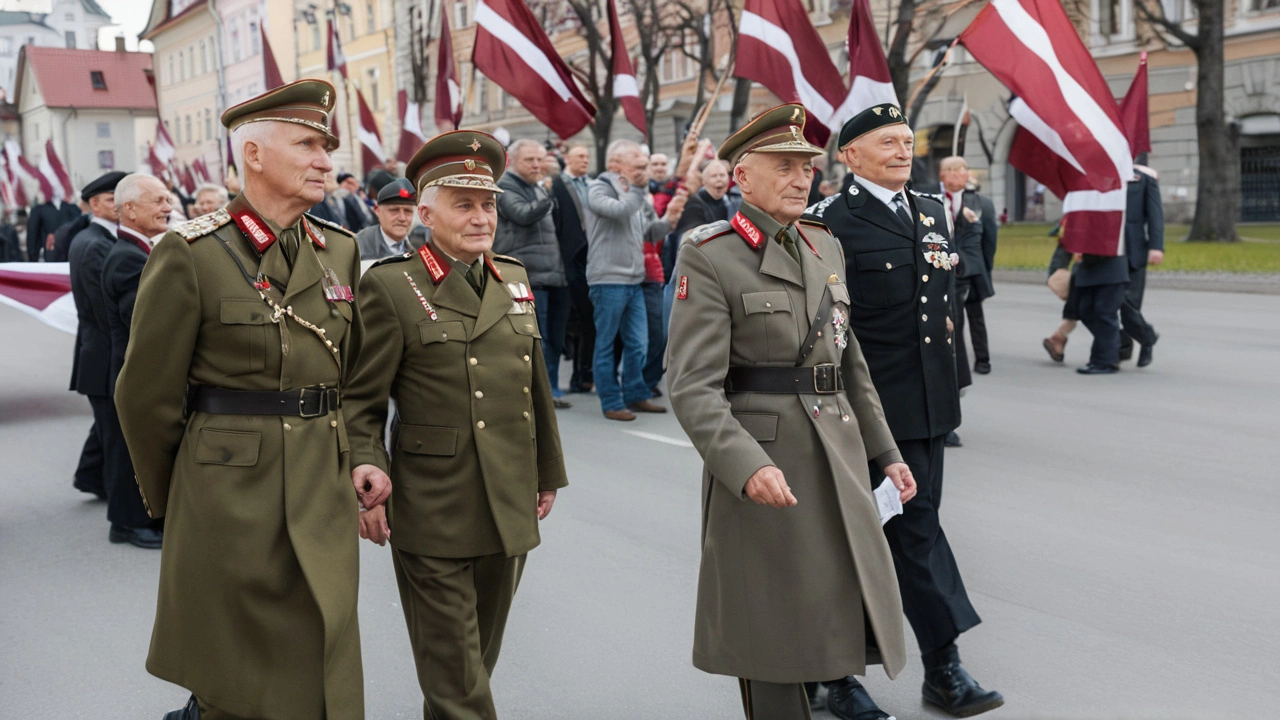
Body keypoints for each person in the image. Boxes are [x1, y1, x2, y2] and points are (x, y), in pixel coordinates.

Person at [113, 79, 382, 720]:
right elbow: (144, 395)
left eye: (328, 147)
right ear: (254, 156)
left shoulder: (337, 249)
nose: (325, 160)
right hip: (228, 491)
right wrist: (183, 494)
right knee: (239, 674)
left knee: (324, 639)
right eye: (308, 145)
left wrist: (363, 454)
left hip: (320, 477)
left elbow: (358, 379)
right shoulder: (192, 252)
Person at [668, 104, 918, 720]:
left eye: (806, 166)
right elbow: (690, 385)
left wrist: (886, 453)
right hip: (767, 462)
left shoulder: (822, 244)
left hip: (835, 453)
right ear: (741, 177)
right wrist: (744, 464)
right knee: (771, 625)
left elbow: (847, 360)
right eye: (783, 166)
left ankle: (835, 692)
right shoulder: (711, 253)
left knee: (830, 603)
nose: (800, 178)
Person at [344, 130, 568, 720]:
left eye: (488, 203)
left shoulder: (513, 279)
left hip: (508, 497)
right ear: (424, 213)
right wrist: (363, 471)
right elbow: (362, 401)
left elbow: (534, 386)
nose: (481, 217)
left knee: (472, 665)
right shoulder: (391, 286)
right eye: (463, 204)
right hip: (433, 503)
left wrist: (547, 472)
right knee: (458, 679)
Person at [805, 104, 1004, 718]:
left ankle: (841, 674)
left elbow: (944, 303)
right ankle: (930, 668)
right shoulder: (828, 222)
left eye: (907, 140)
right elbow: (824, 328)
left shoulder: (930, 209)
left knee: (903, 533)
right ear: (850, 155)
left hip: (930, 406)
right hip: (870, 413)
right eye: (886, 141)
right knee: (890, 536)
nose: (902, 149)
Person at [99, 173, 171, 548]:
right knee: (130, 453)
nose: (168, 207)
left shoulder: (138, 249)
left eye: (167, 199)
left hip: (140, 370)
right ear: (129, 209)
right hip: (135, 372)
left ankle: (139, 520)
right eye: (158, 201)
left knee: (134, 449)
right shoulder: (127, 257)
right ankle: (128, 525)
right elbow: (144, 322)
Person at [584, 139, 674, 420]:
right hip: (607, 279)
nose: (643, 167)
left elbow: (649, 232)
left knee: (638, 344)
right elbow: (619, 210)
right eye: (636, 162)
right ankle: (611, 401)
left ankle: (636, 394)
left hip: (635, 279)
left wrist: (671, 220)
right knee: (606, 343)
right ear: (615, 165)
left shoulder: (635, 193)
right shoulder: (599, 188)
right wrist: (638, 190)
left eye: (643, 163)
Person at [496, 139, 572, 408]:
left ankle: (550, 388)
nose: (537, 165)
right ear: (512, 161)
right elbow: (522, 215)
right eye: (530, 160)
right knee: (532, 339)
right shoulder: (505, 186)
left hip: (552, 275)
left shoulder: (537, 187)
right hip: (526, 276)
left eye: (540, 159)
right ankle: (534, 392)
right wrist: (548, 195)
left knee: (553, 337)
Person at [66, 171, 125, 502]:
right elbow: (105, 313)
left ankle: (89, 476)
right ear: (93, 205)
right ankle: (121, 508)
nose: (118, 205)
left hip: (99, 352)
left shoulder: (100, 240)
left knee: (106, 423)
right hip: (104, 355)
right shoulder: (95, 245)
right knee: (114, 431)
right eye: (110, 200)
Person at [938, 158, 998, 376]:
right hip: (945, 268)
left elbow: (990, 242)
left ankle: (983, 359)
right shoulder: (932, 201)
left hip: (972, 269)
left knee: (976, 315)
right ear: (941, 175)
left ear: (967, 175)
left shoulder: (981, 203)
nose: (954, 174)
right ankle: (956, 360)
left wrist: (985, 270)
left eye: (959, 169)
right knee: (953, 318)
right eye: (948, 169)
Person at [550, 144, 594, 394]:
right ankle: (570, 377)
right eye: (580, 156)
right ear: (567, 158)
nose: (585, 160)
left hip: (592, 258)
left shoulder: (593, 184)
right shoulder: (557, 185)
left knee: (588, 321)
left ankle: (583, 374)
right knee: (572, 320)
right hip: (569, 260)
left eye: (587, 156)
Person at [1118, 162, 1163, 366]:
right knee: (1111, 302)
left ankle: (1141, 341)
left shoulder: (1144, 177)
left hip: (1135, 247)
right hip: (1109, 248)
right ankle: (1134, 342)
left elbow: (1155, 214)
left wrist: (1156, 246)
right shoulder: (1102, 172)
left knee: (1130, 303)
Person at [356, 178, 423, 260]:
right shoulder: (359, 246)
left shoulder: (422, 245)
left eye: (407, 211)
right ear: (377, 210)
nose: (402, 218)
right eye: (394, 211)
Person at [27, 192, 81, 261]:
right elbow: (33, 234)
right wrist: (33, 258)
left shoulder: (72, 207)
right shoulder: (40, 209)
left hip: (70, 253)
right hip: (50, 252)